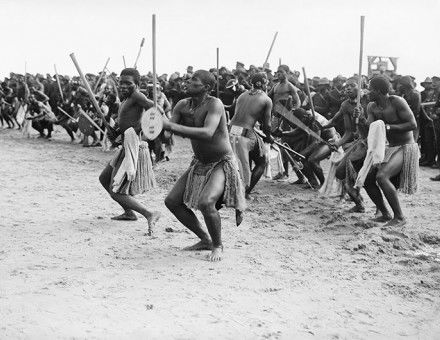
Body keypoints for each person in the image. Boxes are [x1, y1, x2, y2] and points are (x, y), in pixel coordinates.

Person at [163, 70, 246, 262]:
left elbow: (208, 132)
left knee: (206, 203)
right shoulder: (182, 105)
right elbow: (167, 134)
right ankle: (205, 239)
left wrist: (170, 126)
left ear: (206, 88)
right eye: (189, 81)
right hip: (199, 163)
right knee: (172, 201)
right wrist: (155, 123)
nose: (188, 84)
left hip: (221, 162)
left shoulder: (214, 104)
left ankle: (217, 245)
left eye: (194, 82)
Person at [98, 68, 160, 235]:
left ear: (137, 85)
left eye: (128, 83)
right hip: (125, 144)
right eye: (121, 82)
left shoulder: (136, 96)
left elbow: (154, 109)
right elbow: (125, 121)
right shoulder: (125, 98)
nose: (124, 86)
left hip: (133, 146)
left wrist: (138, 128)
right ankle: (129, 212)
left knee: (115, 191)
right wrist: (116, 131)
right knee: (104, 179)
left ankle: (149, 213)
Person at [362, 75, 418, 226]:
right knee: (367, 179)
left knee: (382, 176)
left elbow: (412, 124)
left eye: (369, 89)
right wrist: (359, 119)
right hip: (390, 147)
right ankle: (385, 213)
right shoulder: (371, 106)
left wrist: (388, 127)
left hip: (406, 147)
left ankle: (399, 217)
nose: (367, 92)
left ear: (378, 91)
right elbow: (370, 127)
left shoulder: (397, 102)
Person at [229, 72, 273, 198]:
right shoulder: (266, 99)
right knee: (261, 162)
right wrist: (269, 137)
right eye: (266, 82)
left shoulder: (242, 95)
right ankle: (244, 193)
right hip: (246, 133)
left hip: (231, 130)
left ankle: (242, 187)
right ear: (261, 83)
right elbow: (267, 125)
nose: (267, 85)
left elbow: (237, 114)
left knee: (245, 161)